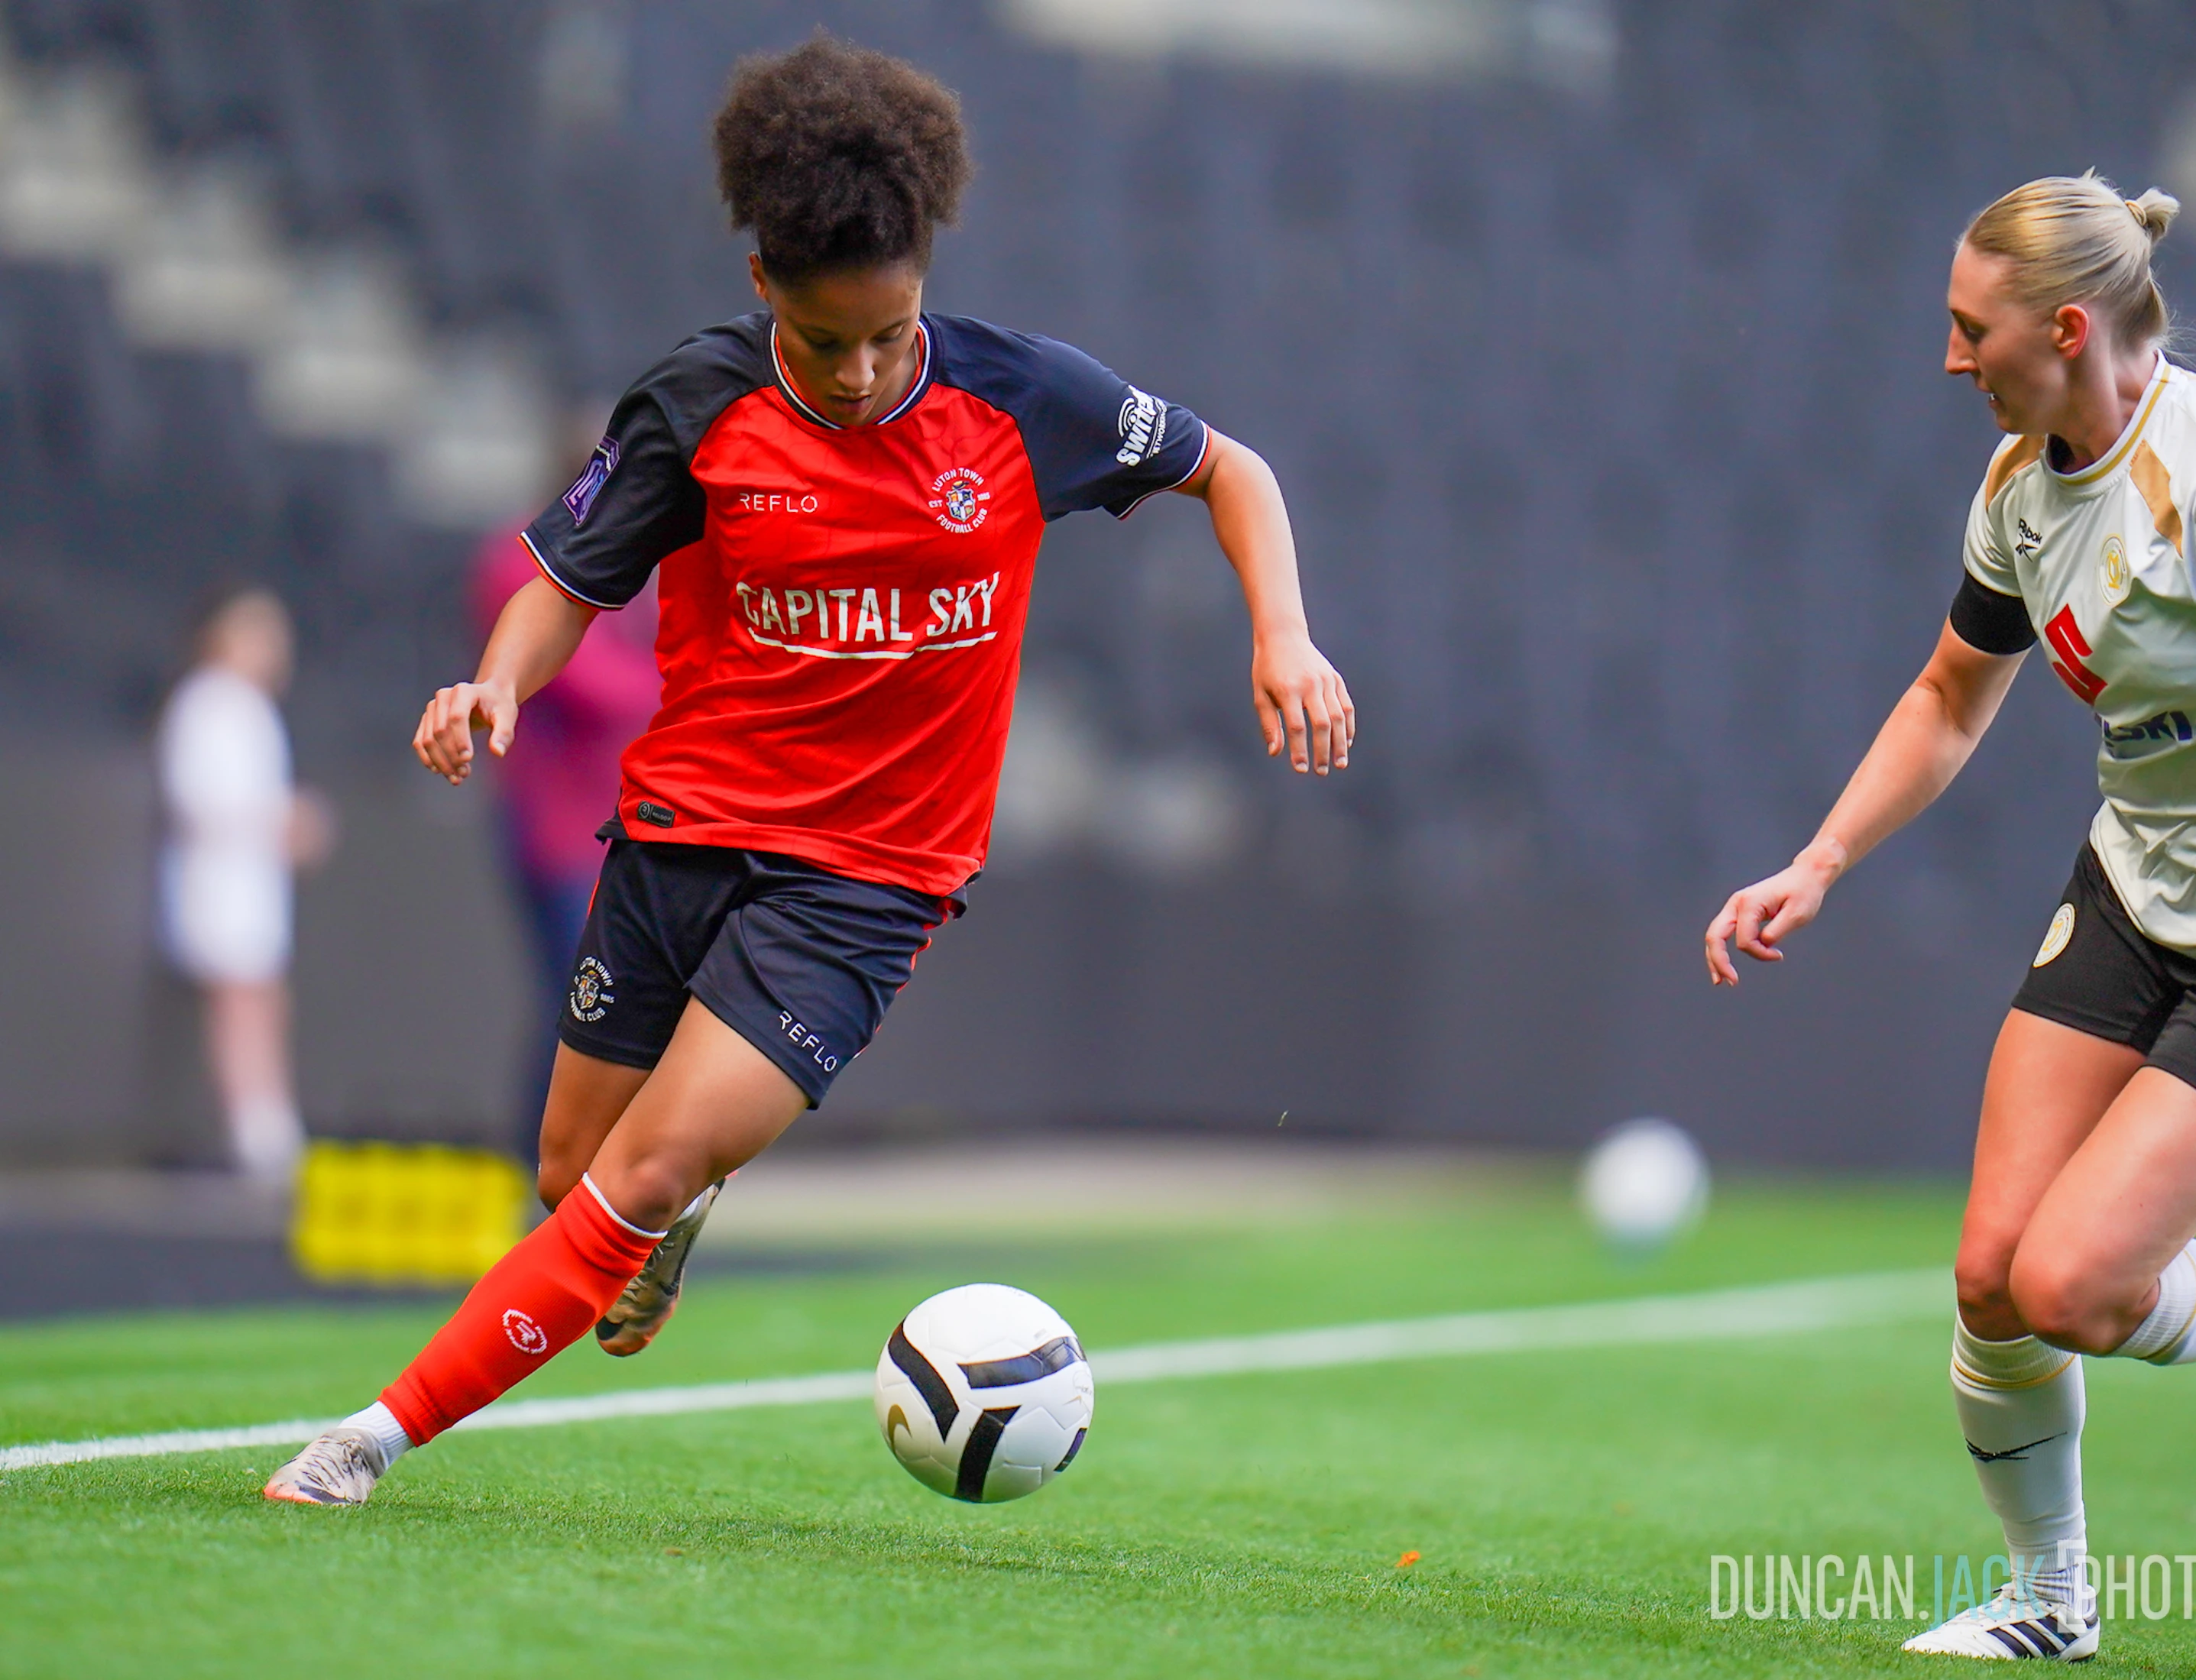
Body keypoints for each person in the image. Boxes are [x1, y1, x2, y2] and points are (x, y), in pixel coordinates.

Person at [264, 36, 1353, 1506]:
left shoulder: (1024, 397)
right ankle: (671, 1205)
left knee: (630, 1182)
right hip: (676, 834)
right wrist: (493, 683)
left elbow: (1235, 469)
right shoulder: (695, 404)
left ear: (923, 282)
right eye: (829, 339)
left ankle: (370, 1438)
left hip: (864, 885)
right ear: (763, 281)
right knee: (572, 1176)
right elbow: (563, 572)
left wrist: (1282, 635)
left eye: (891, 335)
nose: (861, 372)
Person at [1706, 173, 2196, 1662]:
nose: (1952, 359)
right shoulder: (2024, 487)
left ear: (2070, 327)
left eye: (1973, 330)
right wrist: (1820, 861)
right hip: (2131, 895)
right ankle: (2053, 1601)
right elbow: (1951, 692)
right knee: (1991, 1276)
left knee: (2081, 1283)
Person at [469, 471, 661, 1164]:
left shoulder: (634, 552)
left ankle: (573, 1157)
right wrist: (680, 679)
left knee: (602, 995)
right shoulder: (517, 555)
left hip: (626, 818)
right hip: (554, 825)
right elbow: (582, 678)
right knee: (578, 993)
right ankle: (547, 1156)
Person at [157, 588, 332, 1180]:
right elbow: (200, 798)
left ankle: (269, 1125)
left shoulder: (251, 709)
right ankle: (254, 1133)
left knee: (262, 1001)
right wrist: (275, 820)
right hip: (218, 887)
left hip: (254, 889)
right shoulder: (204, 704)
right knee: (238, 1003)